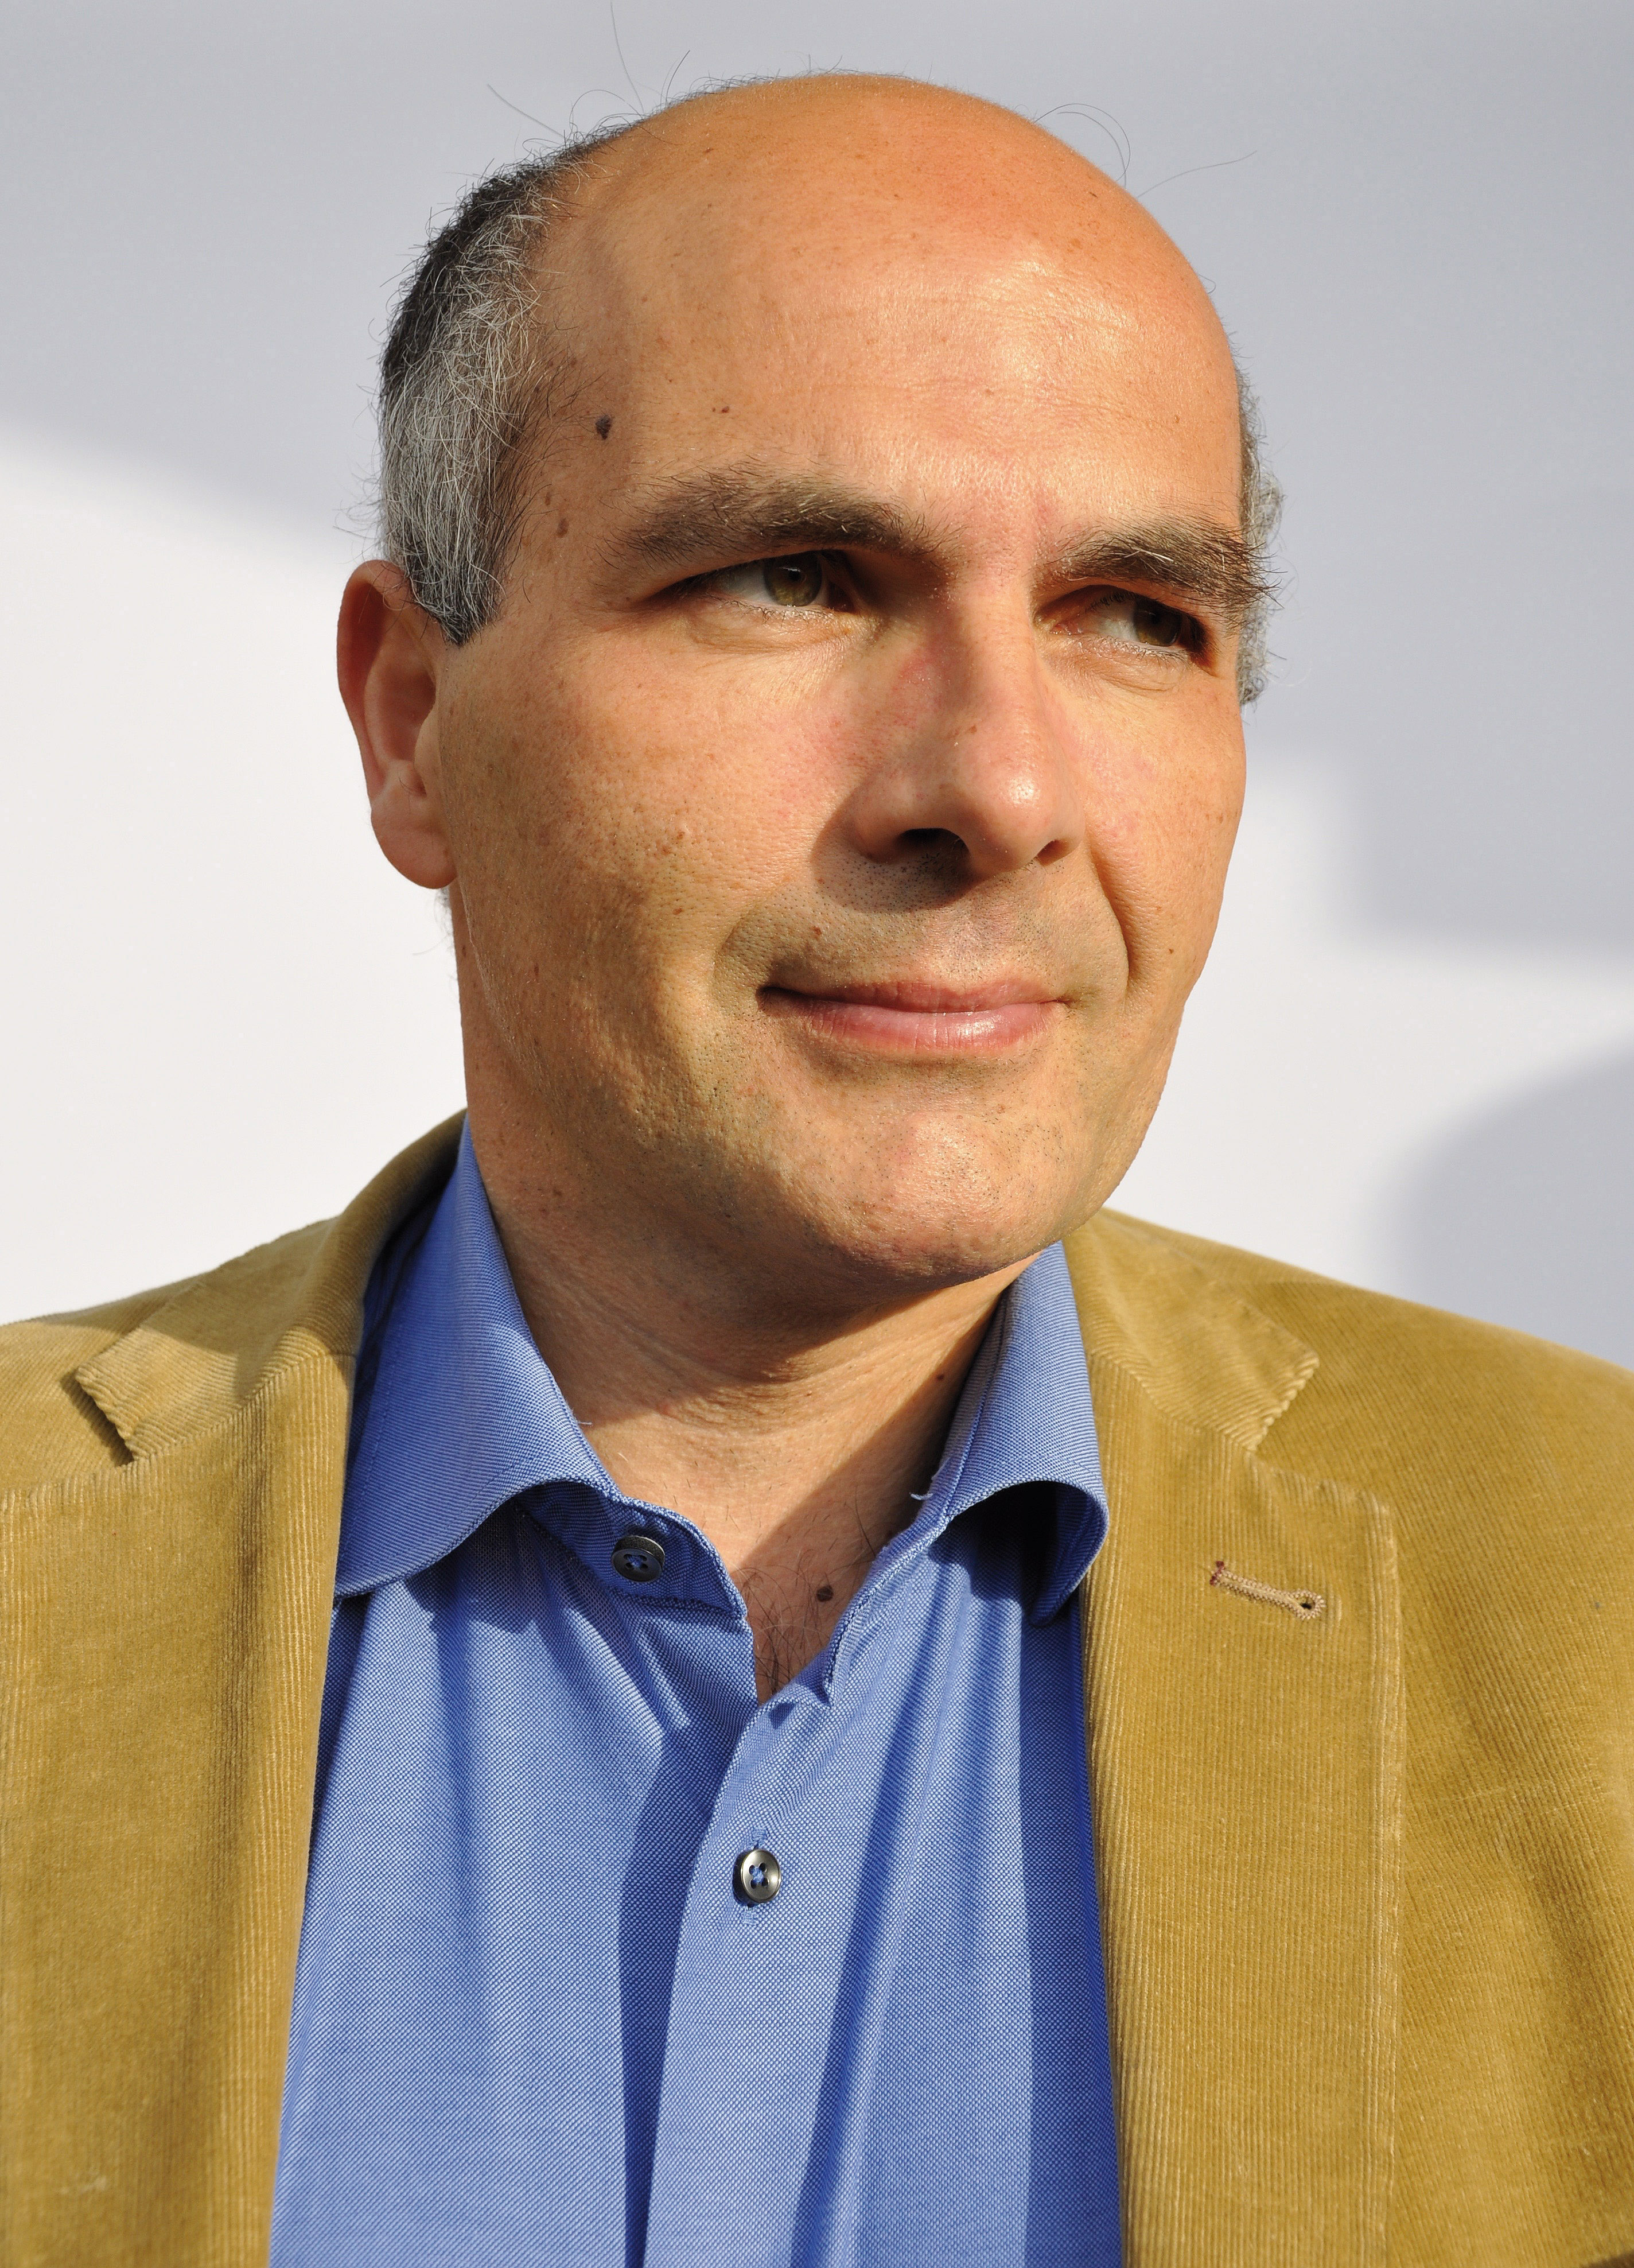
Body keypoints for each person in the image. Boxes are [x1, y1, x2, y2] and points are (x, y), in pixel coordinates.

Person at [3, 69, 1632, 2268]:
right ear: (411, 722)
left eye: (1135, 613)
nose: (1001, 790)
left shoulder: (1598, 1608)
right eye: (797, 577)